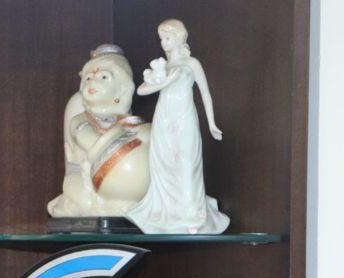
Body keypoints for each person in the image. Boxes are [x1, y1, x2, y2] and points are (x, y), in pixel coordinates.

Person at [126, 19, 230, 234]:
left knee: (187, 163)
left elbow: (205, 94)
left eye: (168, 37)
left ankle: (192, 214)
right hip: (163, 119)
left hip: (184, 119)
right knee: (163, 164)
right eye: (161, 38)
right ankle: (166, 212)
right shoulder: (162, 67)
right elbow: (141, 91)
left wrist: (211, 123)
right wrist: (164, 82)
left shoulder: (192, 63)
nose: (164, 42)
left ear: (179, 37)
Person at [47, 44, 151, 218]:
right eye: (88, 78)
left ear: (123, 88)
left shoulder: (124, 118)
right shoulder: (80, 118)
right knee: (86, 202)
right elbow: (94, 145)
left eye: (104, 77)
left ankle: (119, 203)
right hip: (83, 178)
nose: (92, 82)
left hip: (117, 182)